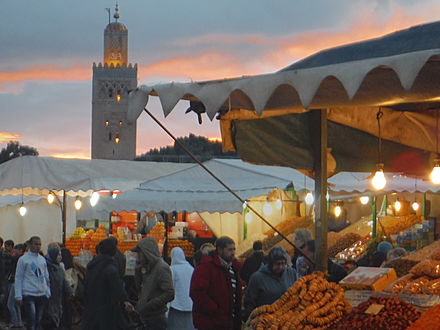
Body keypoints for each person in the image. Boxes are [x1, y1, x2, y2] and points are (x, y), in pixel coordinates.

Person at [190, 236, 243, 330]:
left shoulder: (233, 269)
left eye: (234, 249)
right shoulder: (206, 267)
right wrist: (215, 310)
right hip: (211, 323)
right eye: (229, 250)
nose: (233, 253)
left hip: (229, 322)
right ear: (219, 250)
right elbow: (197, 293)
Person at [82, 238, 134, 330]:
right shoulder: (110, 267)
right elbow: (117, 286)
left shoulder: (91, 265)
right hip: (107, 307)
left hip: (91, 305)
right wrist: (125, 300)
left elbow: (86, 284)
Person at [243, 246, 297, 321]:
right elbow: (250, 301)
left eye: (283, 263)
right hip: (265, 320)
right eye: (277, 264)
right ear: (271, 264)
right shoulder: (257, 278)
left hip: (288, 320)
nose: (281, 267)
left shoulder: (291, 273)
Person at [132, 237, 174, 330]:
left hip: (156, 318)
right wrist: (137, 272)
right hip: (146, 317)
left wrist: (151, 304)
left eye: (140, 253)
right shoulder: (148, 268)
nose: (138, 256)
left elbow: (170, 293)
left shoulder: (161, 268)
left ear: (147, 253)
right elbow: (140, 289)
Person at [15, 236, 50, 330]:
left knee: (38, 320)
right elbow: (18, 277)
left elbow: (46, 276)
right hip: (29, 293)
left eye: (40, 244)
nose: (38, 247)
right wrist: (18, 295)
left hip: (42, 293)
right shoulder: (23, 260)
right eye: (35, 244)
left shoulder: (42, 259)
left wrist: (47, 291)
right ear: (30, 245)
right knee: (31, 319)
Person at [43, 245, 74, 329]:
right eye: (58, 255)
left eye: (60, 254)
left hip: (58, 298)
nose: (60, 257)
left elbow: (64, 281)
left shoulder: (60, 269)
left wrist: (70, 291)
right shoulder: (45, 268)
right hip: (48, 298)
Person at [168, 247, 195, 330]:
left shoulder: (172, 269)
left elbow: (170, 288)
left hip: (176, 305)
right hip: (190, 304)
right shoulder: (191, 269)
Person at [6, 244, 25, 329]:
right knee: (16, 304)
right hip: (18, 283)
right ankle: (19, 322)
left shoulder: (17, 259)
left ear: (20, 250)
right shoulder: (23, 259)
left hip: (15, 283)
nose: (14, 251)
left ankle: (14, 322)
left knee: (10, 304)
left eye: (16, 249)